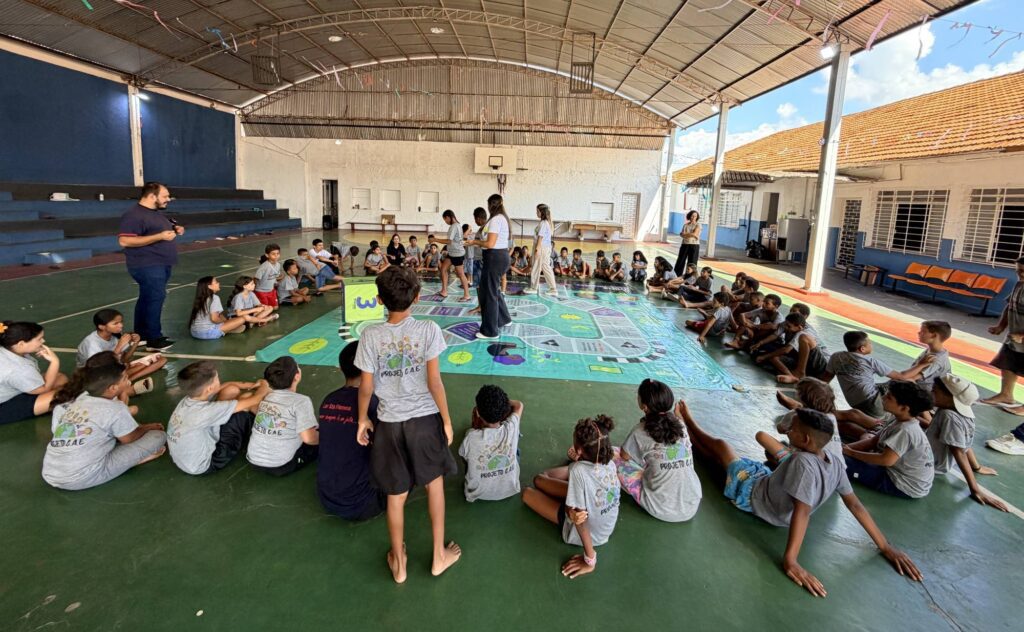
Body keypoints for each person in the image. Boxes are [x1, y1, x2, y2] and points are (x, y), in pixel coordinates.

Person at [679, 401, 922, 596]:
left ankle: (687, 422)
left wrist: (791, 560)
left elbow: (802, 511)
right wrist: (885, 546)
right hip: (769, 487)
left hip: (754, 495)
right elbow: (854, 504)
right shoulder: (834, 461)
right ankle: (690, 435)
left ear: (805, 439)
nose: (788, 429)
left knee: (721, 447)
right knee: (720, 460)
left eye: (792, 428)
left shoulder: (801, 462)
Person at [355, 266, 460, 583]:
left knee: (395, 494)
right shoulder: (428, 329)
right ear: (417, 297)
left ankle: (399, 562)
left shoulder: (370, 335)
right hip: (425, 422)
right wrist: (446, 419)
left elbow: (366, 387)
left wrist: (362, 419)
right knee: (435, 486)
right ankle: (438, 556)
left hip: (388, 423)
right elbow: (434, 382)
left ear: (378, 300)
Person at [41, 361, 166, 490]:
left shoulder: (79, 399)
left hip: (50, 472)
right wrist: (147, 427)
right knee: (158, 436)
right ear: (113, 388)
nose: (127, 379)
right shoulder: (115, 409)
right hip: (81, 478)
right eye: (124, 378)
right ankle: (135, 460)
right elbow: (130, 438)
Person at [522, 415, 619, 579]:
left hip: (585, 532)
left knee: (528, 493)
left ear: (579, 450)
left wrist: (590, 560)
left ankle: (547, 480)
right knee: (545, 478)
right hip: (604, 526)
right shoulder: (609, 462)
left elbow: (580, 521)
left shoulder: (578, 471)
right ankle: (553, 481)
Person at [317, 341, 386, 521]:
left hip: (327, 498)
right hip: (363, 503)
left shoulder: (328, 400)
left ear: (341, 368)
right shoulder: (374, 404)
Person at [614, 379, 701, 522]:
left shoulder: (640, 431)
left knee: (614, 454)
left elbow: (624, 455)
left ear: (644, 406)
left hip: (661, 507)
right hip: (691, 505)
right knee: (656, 458)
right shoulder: (680, 425)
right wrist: (678, 414)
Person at [167, 361, 270, 475]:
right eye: (217, 378)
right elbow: (256, 399)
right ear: (209, 389)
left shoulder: (190, 399)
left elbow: (225, 386)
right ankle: (267, 433)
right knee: (246, 403)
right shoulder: (205, 412)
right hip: (207, 464)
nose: (219, 380)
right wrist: (264, 384)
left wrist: (249, 385)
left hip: (186, 460)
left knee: (231, 390)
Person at [117, 182, 183, 352]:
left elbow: (158, 229)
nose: (168, 199)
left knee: (147, 298)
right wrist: (160, 236)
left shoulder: (156, 214)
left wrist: (175, 228)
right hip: (146, 264)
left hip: (161, 263)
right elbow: (125, 240)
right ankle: (154, 338)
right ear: (152, 196)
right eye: (165, 196)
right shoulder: (134, 215)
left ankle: (141, 335)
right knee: (156, 297)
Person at [843, 381, 935, 499]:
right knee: (841, 455)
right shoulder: (899, 420)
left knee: (839, 462)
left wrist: (850, 453)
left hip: (902, 484)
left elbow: (886, 460)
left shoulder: (905, 430)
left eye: (889, 397)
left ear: (904, 408)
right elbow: (873, 441)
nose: (883, 397)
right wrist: (844, 449)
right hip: (900, 474)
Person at [927, 374, 1007, 511]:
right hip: (930, 459)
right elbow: (964, 444)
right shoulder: (961, 413)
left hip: (929, 464)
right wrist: (977, 467)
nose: (931, 392)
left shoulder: (949, 416)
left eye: (935, 391)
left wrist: (975, 489)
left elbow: (958, 451)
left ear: (950, 397)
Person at [820, 331, 933, 418]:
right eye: (870, 343)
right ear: (862, 349)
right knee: (908, 382)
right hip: (873, 403)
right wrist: (922, 364)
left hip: (854, 402)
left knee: (895, 383)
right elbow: (902, 376)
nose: (871, 345)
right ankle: (926, 418)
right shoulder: (870, 361)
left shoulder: (836, 357)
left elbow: (825, 379)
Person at [246, 356, 319, 476]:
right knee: (323, 432)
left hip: (254, 460)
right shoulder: (301, 401)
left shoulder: (266, 397)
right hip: (281, 465)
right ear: (297, 376)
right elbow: (309, 439)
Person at [459, 385, 524, 502]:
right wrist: (502, 404)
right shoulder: (511, 427)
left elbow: (463, 458)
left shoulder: (470, 437)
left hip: (478, 493)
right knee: (517, 450)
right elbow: (519, 405)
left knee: (469, 455)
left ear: (477, 412)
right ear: (504, 410)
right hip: (510, 489)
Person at [776, 377, 883, 445]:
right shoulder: (830, 416)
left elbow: (780, 428)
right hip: (880, 432)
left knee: (849, 418)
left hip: (880, 437)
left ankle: (798, 407)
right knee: (847, 420)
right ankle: (800, 407)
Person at [76, 309, 167, 388]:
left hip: (113, 370)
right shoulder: (91, 343)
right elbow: (99, 368)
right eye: (115, 323)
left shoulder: (114, 337)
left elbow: (125, 359)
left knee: (161, 360)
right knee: (128, 370)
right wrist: (119, 346)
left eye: (121, 322)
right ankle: (122, 382)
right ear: (101, 327)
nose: (121, 325)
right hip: (94, 376)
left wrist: (135, 343)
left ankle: (127, 380)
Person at [0, 321, 68, 425]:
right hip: (3, 407)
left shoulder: (6, 348)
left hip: (8, 391)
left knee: (59, 377)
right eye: (39, 339)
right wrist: (55, 362)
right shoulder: (18, 369)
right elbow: (43, 390)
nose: (43, 341)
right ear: (21, 344)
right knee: (65, 393)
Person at [466, 194, 512, 340]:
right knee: (492, 290)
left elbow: (490, 244)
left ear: (491, 205)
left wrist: (474, 242)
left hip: (495, 258)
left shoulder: (497, 219)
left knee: (489, 294)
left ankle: (490, 331)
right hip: (497, 257)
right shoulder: (498, 219)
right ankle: (504, 319)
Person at [981, 258, 1024, 416]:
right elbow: (1009, 306)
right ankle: (1006, 394)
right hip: (1014, 336)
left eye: (1022, 271)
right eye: (1017, 271)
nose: (1019, 274)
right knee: (1007, 363)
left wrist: (1022, 336)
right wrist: (1001, 326)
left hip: (1021, 336)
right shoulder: (1019, 284)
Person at [758, 313, 831, 382]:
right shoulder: (793, 327)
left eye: (789, 326)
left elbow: (786, 350)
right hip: (807, 365)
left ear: (799, 327)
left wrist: (764, 357)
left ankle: (800, 373)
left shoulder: (804, 332)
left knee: (804, 338)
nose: (786, 328)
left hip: (821, 366)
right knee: (773, 357)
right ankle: (792, 377)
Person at [189, 276, 257, 340]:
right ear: (209, 286)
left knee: (230, 320)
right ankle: (228, 329)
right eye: (216, 282)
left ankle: (229, 329)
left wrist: (227, 322)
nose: (219, 283)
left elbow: (219, 314)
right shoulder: (214, 298)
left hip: (194, 332)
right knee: (242, 319)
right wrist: (226, 322)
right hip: (208, 333)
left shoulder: (201, 298)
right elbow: (214, 319)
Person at [439, 210, 471, 302]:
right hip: (452, 253)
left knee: (460, 274)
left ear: (448, 217)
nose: (445, 222)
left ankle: (467, 295)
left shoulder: (454, 226)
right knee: (443, 269)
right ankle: (444, 291)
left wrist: (435, 239)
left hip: (457, 254)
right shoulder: (457, 225)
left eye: (445, 219)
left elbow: (449, 241)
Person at [526, 204, 558, 296]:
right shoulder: (546, 223)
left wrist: (537, 250)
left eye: (537, 211)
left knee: (536, 266)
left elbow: (540, 238)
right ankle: (553, 289)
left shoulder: (544, 223)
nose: (536, 213)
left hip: (542, 247)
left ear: (542, 212)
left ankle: (533, 287)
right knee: (546, 267)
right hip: (546, 248)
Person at [674, 210, 702, 276]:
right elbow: (681, 235)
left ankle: (690, 277)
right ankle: (676, 275)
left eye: (695, 216)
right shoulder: (685, 225)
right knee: (680, 261)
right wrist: (691, 234)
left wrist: (685, 234)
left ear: (697, 217)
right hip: (684, 244)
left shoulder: (698, 225)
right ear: (689, 216)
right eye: (692, 216)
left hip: (694, 245)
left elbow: (695, 234)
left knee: (692, 262)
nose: (693, 217)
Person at [470, 208, 487, 287]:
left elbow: (486, 244)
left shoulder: (485, 229)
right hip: (477, 259)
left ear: (478, 219)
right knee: (478, 284)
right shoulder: (482, 228)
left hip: (480, 260)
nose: (475, 221)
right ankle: (481, 299)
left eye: (475, 219)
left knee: (480, 285)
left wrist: (472, 242)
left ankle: (482, 299)